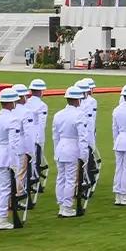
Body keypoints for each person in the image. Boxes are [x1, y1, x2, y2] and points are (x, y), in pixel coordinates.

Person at [0, 88, 23, 230]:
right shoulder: (13, 119)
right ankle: (1, 218)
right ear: (12, 102)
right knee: (5, 188)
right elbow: (13, 144)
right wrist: (14, 163)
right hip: (6, 155)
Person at [53, 86, 89, 218]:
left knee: (61, 178)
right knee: (70, 179)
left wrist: (56, 150)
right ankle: (67, 207)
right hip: (73, 148)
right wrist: (84, 155)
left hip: (60, 148)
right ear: (77, 100)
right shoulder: (79, 115)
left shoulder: (58, 114)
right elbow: (83, 137)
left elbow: (55, 136)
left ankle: (62, 205)